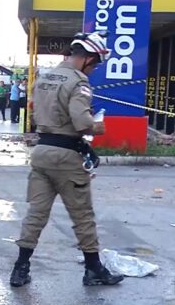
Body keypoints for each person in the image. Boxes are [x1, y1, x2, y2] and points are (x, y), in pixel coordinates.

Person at [9, 31, 124, 288]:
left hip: (41, 153)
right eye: (95, 64)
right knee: (82, 215)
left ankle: (20, 268)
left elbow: (35, 113)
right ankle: (93, 269)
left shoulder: (44, 77)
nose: (94, 69)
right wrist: (98, 127)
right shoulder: (79, 82)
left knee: (36, 214)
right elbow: (82, 123)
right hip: (67, 157)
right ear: (88, 58)